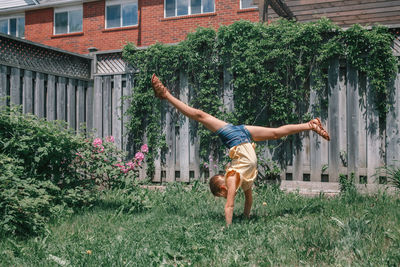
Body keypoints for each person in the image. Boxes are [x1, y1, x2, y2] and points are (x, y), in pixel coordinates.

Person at [151, 74, 330, 225]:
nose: (227, 196)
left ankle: (165, 94)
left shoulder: (232, 178)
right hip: (243, 135)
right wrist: (245, 218)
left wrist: (228, 228)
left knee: (200, 115)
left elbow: (229, 206)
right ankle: (310, 125)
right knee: (275, 133)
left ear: (222, 189)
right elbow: (248, 200)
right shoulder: (243, 179)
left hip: (234, 138)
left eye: (223, 195)